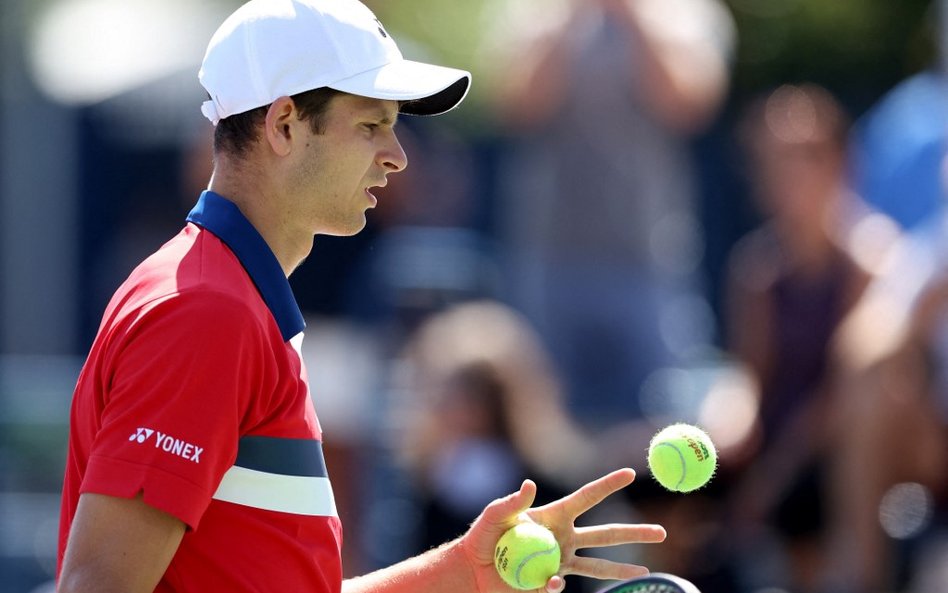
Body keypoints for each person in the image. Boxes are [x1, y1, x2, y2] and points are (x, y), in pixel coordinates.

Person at [55, 1, 667, 593]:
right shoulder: (208, 312)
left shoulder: (224, 301)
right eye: (372, 125)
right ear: (286, 124)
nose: (397, 156)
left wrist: (463, 571)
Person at [485, 0, 736, 430]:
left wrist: (634, 17)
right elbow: (515, 107)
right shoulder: (533, 11)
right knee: (542, 426)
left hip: (650, 259)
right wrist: (570, 19)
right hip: (550, 260)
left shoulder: (686, 12)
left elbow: (690, 107)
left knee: (669, 420)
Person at [720, 84, 885, 593]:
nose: (788, 175)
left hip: (832, 458)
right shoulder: (756, 270)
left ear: (839, 162)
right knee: (664, 486)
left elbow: (844, 395)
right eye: (773, 161)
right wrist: (722, 433)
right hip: (776, 451)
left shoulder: (873, 261)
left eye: (804, 158)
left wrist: (771, 478)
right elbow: (750, 381)